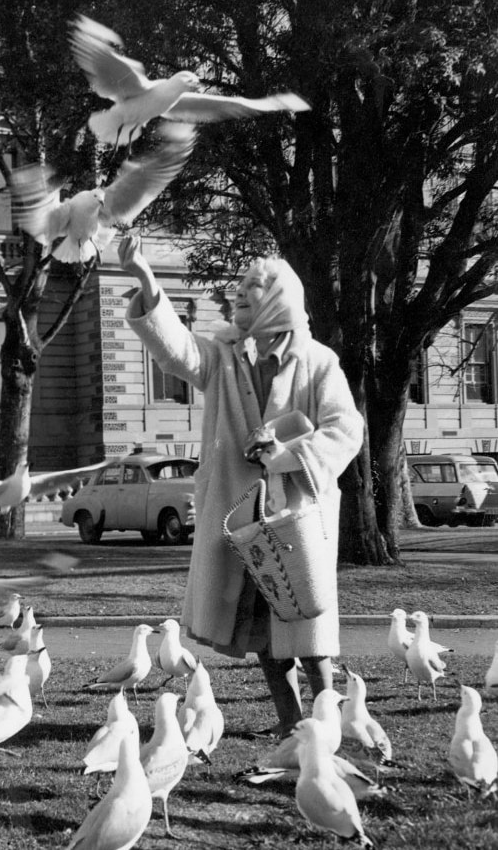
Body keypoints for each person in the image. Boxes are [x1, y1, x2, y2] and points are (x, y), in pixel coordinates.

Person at [119, 235, 363, 737]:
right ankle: (291, 724)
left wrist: (287, 455)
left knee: (307, 630)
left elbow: (346, 431)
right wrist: (145, 278)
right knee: (260, 631)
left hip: (296, 518)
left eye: (248, 298)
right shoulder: (226, 359)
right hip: (241, 519)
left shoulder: (318, 363)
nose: (237, 304)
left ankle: (331, 723)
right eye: (238, 298)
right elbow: (177, 352)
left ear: (275, 303)